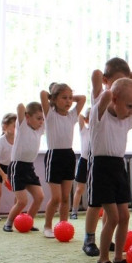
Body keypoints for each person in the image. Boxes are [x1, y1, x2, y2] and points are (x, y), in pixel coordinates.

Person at [82, 58, 132, 257]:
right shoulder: (100, 103)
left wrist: (125, 83)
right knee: (95, 204)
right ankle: (89, 239)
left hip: (117, 165)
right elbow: (99, 79)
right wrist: (114, 87)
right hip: (100, 162)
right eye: (115, 82)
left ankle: (109, 244)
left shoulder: (125, 117)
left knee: (118, 214)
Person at [40, 84, 86, 238]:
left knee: (65, 198)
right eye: (64, 98)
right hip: (54, 156)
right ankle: (47, 226)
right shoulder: (50, 114)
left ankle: (63, 226)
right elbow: (43, 94)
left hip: (68, 156)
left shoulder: (72, 116)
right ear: (54, 99)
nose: (68, 101)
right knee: (56, 198)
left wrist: (69, 97)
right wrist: (52, 97)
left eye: (70, 98)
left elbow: (82, 98)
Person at [2, 102, 45, 232]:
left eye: (42, 119)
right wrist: (26, 113)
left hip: (29, 168)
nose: (41, 121)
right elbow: (20, 106)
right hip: (17, 167)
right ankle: (8, 223)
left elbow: (47, 113)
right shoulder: (22, 127)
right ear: (27, 117)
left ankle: (28, 222)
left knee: (39, 197)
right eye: (38, 118)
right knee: (22, 201)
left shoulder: (39, 130)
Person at [70, 108, 91, 219]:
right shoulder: (84, 130)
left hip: (94, 162)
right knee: (79, 189)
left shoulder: (100, 131)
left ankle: (96, 210)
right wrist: (87, 117)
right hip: (84, 161)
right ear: (86, 120)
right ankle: (74, 212)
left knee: (96, 189)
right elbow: (80, 116)